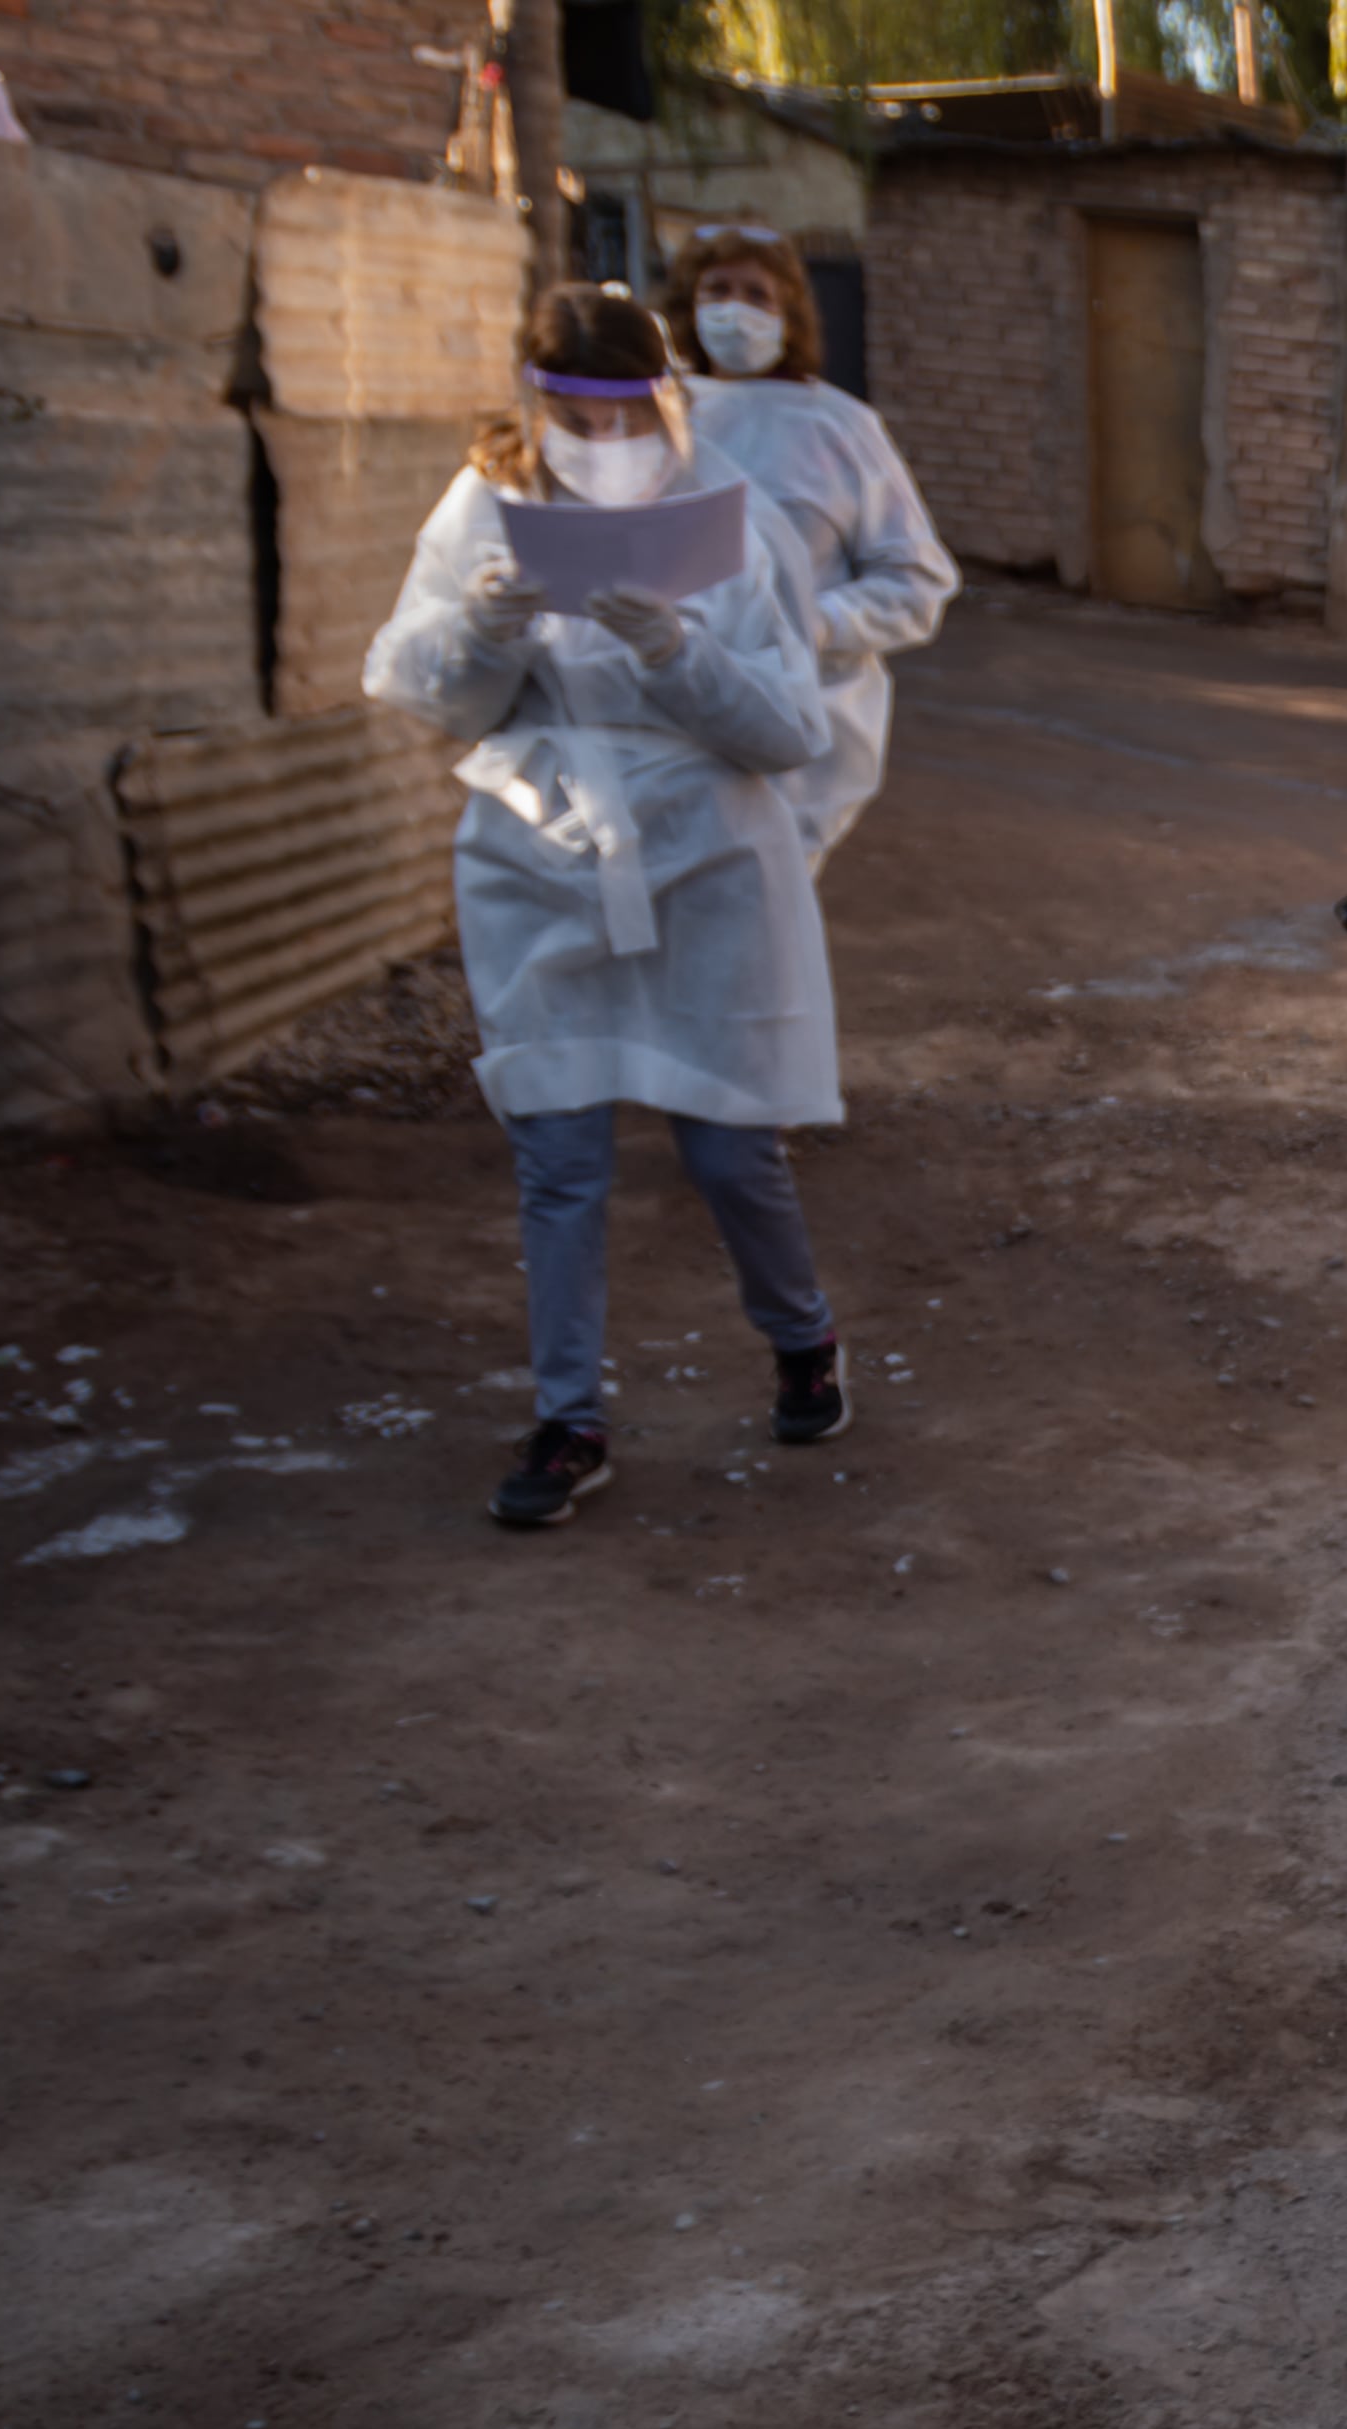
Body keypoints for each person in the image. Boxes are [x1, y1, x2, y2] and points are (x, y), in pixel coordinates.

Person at [362, 283, 849, 1533]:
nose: (601, 432)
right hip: (545, 859)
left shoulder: (730, 521)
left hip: (705, 860)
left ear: (662, 397)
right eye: (575, 407)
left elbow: (792, 726)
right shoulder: (487, 506)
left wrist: (677, 652)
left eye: (624, 407)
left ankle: (803, 1339)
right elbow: (433, 694)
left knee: (728, 1142)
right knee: (558, 1156)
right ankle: (569, 1420)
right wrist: (480, 631)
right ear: (535, 398)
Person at [660, 227, 956, 869]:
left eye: (757, 295)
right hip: (674, 711)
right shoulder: (660, 418)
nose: (735, 310)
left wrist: (815, 623)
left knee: (763, 912)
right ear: (688, 304)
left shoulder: (838, 426)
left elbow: (916, 582)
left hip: (801, 721)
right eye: (718, 291)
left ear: (789, 315)